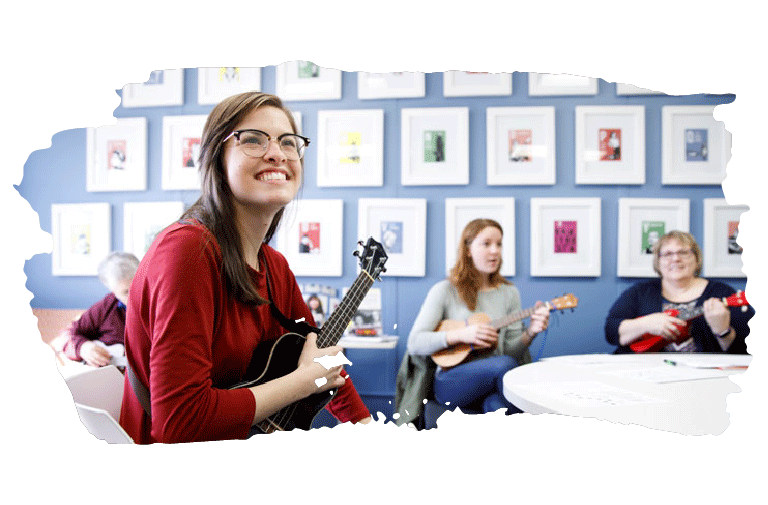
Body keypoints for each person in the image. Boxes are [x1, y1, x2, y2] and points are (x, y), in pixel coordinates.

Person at [119, 92, 371, 444]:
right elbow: (179, 425)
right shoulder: (187, 251)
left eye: (288, 142)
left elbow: (319, 359)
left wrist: (369, 430)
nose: (277, 153)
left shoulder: (275, 267)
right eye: (252, 140)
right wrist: (301, 383)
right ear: (215, 159)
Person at [395, 218, 549, 426]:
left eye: (499, 244)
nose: (495, 250)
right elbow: (415, 343)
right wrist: (461, 335)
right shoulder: (445, 291)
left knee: (497, 404)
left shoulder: (509, 293)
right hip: (451, 382)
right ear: (467, 250)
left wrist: (531, 332)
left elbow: (511, 352)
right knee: (505, 366)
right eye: (486, 244)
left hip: (495, 378)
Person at [605, 230, 753, 354]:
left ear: (696, 259)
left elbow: (747, 350)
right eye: (668, 254)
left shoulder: (722, 293)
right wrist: (646, 324)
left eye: (683, 252)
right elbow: (611, 332)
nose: (675, 259)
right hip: (644, 373)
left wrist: (723, 330)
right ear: (658, 261)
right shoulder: (639, 292)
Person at [60, 252, 139, 368]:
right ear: (112, 290)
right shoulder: (107, 305)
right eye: (125, 292)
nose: (135, 296)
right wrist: (83, 347)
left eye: (137, 286)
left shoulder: (162, 303)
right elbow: (67, 335)